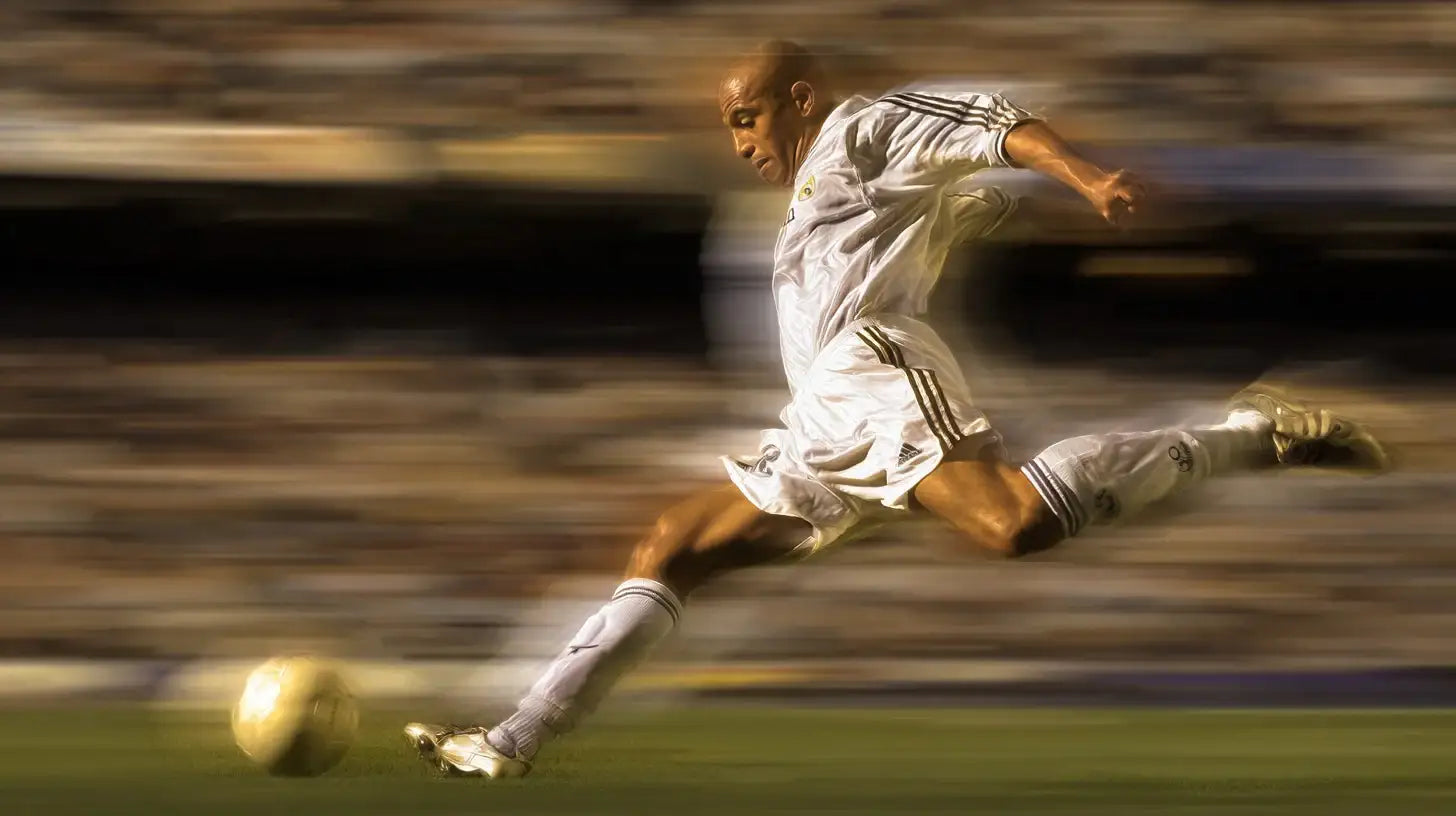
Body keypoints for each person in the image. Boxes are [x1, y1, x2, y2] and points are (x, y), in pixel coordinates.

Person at [404, 40, 1386, 778]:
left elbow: (989, 118)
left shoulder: (858, 126)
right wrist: (964, 213)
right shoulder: (825, 185)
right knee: (672, 547)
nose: (740, 142)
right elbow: (920, 209)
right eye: (729, 129)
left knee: (1011, 526)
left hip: (871, 369)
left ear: (797, 98)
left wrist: (1084, 176)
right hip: (816, 419)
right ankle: (510, 741)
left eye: (746, 119)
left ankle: (1248, 432)